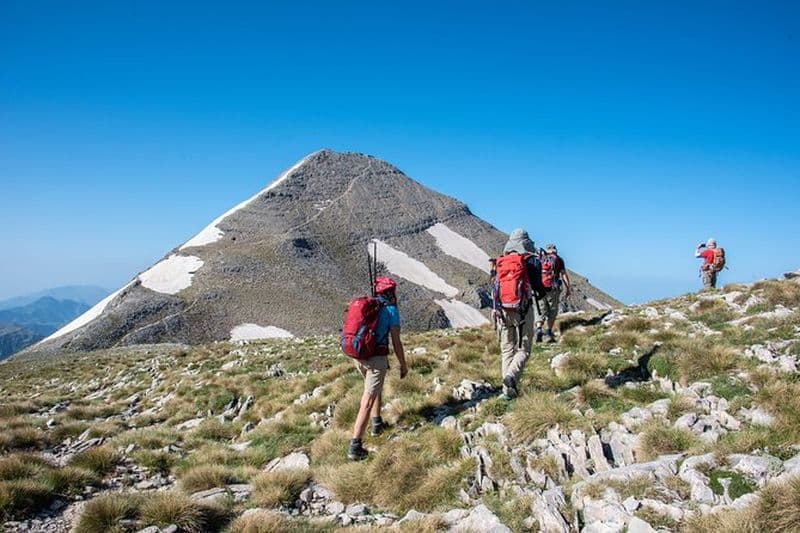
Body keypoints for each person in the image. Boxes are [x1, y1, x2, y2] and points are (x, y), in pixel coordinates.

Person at [347, 276, 408, 461]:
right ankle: (355, 446)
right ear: (391, 293)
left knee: (374, 389)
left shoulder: (368, 306)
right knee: (367, 399)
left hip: (358, 357)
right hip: (376, 359)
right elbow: (396, 342)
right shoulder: (391, 311)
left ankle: (376, 424)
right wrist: (403, 364)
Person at [492, 229, 545, 400]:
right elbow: (540, 288)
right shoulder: (531, 261)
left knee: (507, 349)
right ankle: (512, 377)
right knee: (524, 349)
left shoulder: (501, 261)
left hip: (503, 311)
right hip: (523, 309)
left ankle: (506, 392)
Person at [536, 243, 571, 343]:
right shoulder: (558, 260)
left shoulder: (540, 258)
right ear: (555, 250)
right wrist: (568, 288)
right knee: (552, 310)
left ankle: (539, 329)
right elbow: (563, 274)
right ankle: (548, 331)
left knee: (541, 309)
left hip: (540, 288)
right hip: (553, 288)